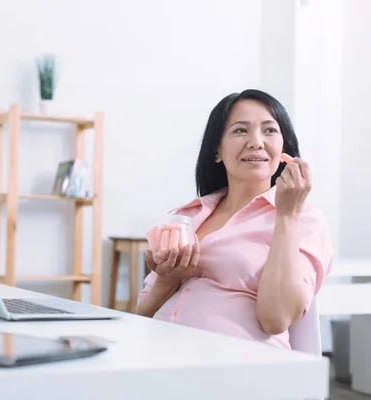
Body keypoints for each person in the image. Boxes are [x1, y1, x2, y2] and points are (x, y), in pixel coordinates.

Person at [136, 89, 333, 350]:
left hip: (238, 373)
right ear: (217, 150)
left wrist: (287, 214)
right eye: (241, 130)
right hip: (161, 360)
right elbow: (141, 314)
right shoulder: (187, 217)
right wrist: (168, 279)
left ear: (284, 149)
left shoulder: (305, 219)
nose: (256, 142)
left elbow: (276, 320)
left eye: (270, 130)